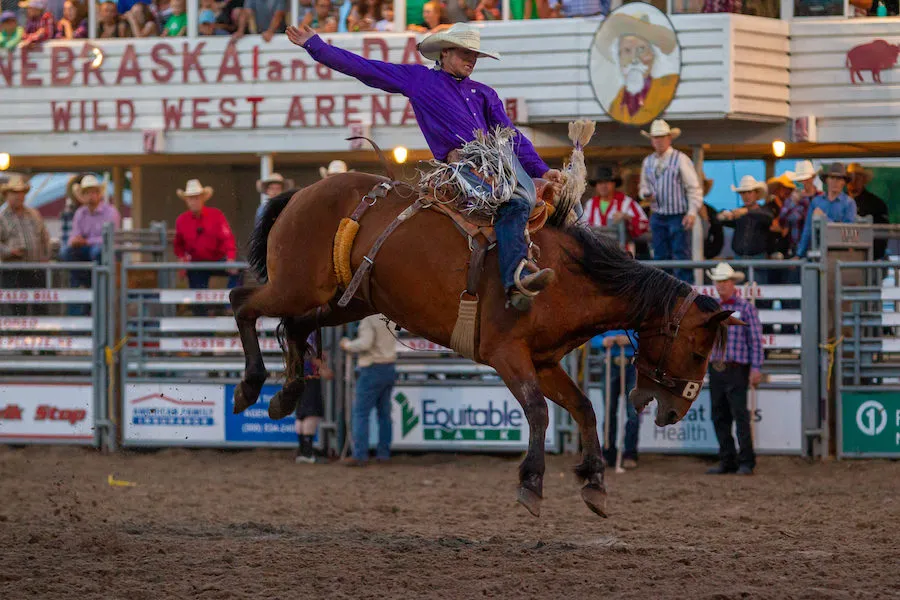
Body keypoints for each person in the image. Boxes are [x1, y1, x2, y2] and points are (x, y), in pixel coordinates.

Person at [289, 22, 561, 310]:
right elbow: (364, 68)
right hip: (462, 169)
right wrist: (314, 45)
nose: (471, 60)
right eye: (464, 53)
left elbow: (511, 135)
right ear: (444, 53)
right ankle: (515, 281)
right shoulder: (419, 80)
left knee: (559, 204)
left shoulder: (485, 94)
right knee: (515, 204)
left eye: (475, 55)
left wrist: (542, 170)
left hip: (499, 166)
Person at [705, 262, 763, 476]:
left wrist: (756, 368)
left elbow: (755, 340)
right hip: (717, 367)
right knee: (719, 415)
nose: (720, 285)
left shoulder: (746, 308)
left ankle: (746, 460)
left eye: (723, 282)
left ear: (732, 283)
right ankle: (728, 459)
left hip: (737, 368)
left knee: (739, 415)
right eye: (718, 282)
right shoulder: (713, 309)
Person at [638, 119, 703, 282]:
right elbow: (643, 187)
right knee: (660, 256)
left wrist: (692, 212)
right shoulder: (648, 161)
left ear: (669, 138)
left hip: (678, 214)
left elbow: (693, 187)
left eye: (661, 137)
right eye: (655, 137)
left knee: (681, 255)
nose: (658, 140)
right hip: (659, 215)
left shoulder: (680, 159)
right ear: (652, 140)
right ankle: (665, 290)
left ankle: (686, 291)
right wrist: (646, 194)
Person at [593, 11, 679, 125]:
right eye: (627, 51)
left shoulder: (669, 87)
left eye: (641, 49)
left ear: (653, 55)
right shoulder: (616, 104)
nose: (634, 59)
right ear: (619, 58)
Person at [340, 315, 397, 466]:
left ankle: (360, 455)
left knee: (361, 413)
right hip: (389, 366)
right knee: (384, 414)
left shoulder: (368, 319)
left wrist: (347, 345)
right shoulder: (392, 317)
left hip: (372, 367)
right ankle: (383, 454)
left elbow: (365, 343)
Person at [173, 179, 240, 291]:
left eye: (197, 197)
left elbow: (227, 238)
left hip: (218, 259)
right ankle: (202, 308)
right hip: (196, 263)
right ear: (186, 201)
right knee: (198, 300)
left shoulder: (216, 215)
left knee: (240, 269)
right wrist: (181, 257)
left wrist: (231, 258)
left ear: (203, 198)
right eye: (191, 198)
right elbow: (178, 244)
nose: (194, 201)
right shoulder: (181, 220)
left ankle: (231, 304)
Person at [0, 176, 51, 316]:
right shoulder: (2, 216)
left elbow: (44, 237)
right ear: (6, 195)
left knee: (40, 306)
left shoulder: (34, 214)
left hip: (35, 268)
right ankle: (17, 336)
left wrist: (45, 256)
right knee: (17, 309)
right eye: (14, 192)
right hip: (13, 270)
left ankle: (41, 337)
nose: (19, 196)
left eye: (21, 192)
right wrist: (9, 251)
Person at [581, 165, 648, 255]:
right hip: (596, 254)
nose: (603, 186)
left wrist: (627, 218)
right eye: (600, 182)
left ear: (614, 184)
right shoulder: (590, 204)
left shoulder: (627, 203)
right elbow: (582, 227)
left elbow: (644, 225)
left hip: (620, 255)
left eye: (607, 182)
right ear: (596, 185)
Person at [597, 329, 639, 469]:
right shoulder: (606, 313)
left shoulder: (637, 310)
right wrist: (603, 341)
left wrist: (630, 341)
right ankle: (608, 452)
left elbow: (645, 334)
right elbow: (593, 336)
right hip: (610, 362)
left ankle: (630, 453)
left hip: (632, 365)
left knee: (633, 412)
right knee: (609, 410)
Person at [797, 163, 858, 258]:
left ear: (843, 182)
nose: (835, 181)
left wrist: (823, 219)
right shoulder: (816, 201)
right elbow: (808, 229)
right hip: (818, 253)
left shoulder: (849, 203)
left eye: (839, 179)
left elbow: (848, 234)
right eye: (832, 178)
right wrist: (799, 254)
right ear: (827, 180)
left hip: (840, 254)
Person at [718, 175, 773, 275]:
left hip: (758, 262)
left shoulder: (764, 211)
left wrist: (746, 212)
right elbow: (719, 219)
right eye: (743, 193)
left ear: (756, 194)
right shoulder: (739, 213)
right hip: (738, 261)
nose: (746, 196)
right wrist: (725, 215)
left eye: (749, 192)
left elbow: (768, 218)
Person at [295, 332, 333, 464]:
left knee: (301, 414)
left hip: (297, 375)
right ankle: (307, 452)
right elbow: (310, 353)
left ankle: (303, 450)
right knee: (311, 413)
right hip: (310, 375)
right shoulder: (310, 329)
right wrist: (323, 367)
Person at [847, 163, 889, 260]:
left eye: (858, 177)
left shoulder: (877, 204)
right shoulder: (839, 202)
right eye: (851, 177)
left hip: (868, 257)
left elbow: (882, 234)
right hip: (842, 254)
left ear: (863, 180)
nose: (854, 180)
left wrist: (873, 255)